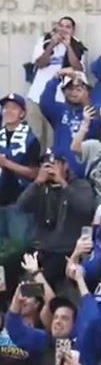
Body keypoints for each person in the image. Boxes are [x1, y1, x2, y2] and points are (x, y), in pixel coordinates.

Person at [16, 151, 95, 290]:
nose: (49, 169)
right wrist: (37, 182)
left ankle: (41, 297)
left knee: (40, 283)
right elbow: (21, 206)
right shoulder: (40, 187)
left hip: (66, 251)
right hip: (41, 247)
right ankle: (28, 299)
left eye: (54, 164)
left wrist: (62, 183)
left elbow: (86, 208)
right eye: (45, 165)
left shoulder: (80, 185)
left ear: (65, 165)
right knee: (17, 277)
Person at [26, 16, 87, 147]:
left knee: (52, 138)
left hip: (59, 99)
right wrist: (51, 45)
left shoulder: (77, 45)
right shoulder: (45, 40)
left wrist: (68, 46)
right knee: (34, 137)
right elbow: (40, 63)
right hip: (36, 96)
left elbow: (78, 68)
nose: (63, 29)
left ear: (72, 30)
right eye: (61, 25)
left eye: (68, 27)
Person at [38, 69, 100, 176]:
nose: (73, 92)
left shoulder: (95, 113)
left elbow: (95, 131)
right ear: (64, 91)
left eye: (78, 89)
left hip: (80, 173)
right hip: (57, 168)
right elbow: (45, 102)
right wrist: (57, 76)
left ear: (87, 91)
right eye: (70, 89)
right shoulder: (59, 110)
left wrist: (86, 103)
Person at [0, 92, 40, 252]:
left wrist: (6, 164)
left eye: (13, 108)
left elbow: (35, 173)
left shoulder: (31, 139)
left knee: (19, 247)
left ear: (22, 113)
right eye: (5, 108)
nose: (8, 111)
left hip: (19, 202)